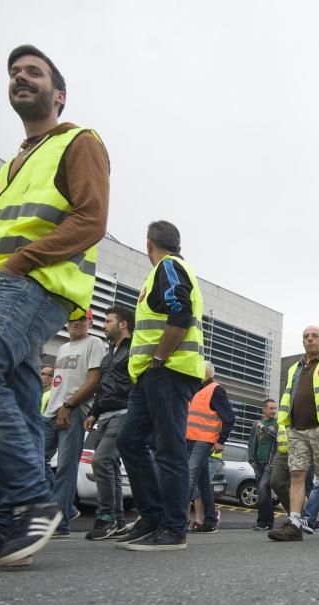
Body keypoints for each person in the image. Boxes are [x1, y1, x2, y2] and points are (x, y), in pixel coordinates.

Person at [0, 44, 110, 566]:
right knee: (17, 402)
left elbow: (90, 219)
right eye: (14, 73)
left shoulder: (78, 141)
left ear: (58, 94)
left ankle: (30, 502)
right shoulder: (13, 163)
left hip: (31, 282)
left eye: (33, 72)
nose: (21, 77)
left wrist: (19, 264)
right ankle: (6, 522)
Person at [115, 221, 205, 552]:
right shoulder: (161, 272)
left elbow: (179, 314)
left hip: (167, 371)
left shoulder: (168, 267)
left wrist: (158, 359)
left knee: (169, 449)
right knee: (130, 441)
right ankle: (152, 517)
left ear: (149, 242)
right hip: (150, 375)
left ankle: (172, 528)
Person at [267, 326, 319, 542]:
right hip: (297, 429)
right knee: (297, 474)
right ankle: (294, 523)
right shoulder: (294, 368)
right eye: (306, 337)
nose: (309, 339)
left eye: (314, 336)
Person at [43, 310, 105, 536]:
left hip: (74, 410)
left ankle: (59, 523)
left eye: (81, 319)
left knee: (66, 469)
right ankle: (65, 507)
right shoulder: (62, 348)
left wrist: (68, 406)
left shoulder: (94, 343)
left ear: (90, 321)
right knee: (34, 460)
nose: (76, 323)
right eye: (72, 319)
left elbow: (94, 381)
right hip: (51, 410)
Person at [82, 306, 133, 540]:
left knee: (101, 460)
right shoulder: (109, 354)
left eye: (108, 321)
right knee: (110, 467)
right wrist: (93, 412)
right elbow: (102, 387)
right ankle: (119, 521)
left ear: (122, 324)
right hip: (103, 416)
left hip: (124, 413)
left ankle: (105, 517)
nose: (104, 325)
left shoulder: (134, 350)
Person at [185, 361, 236, 534]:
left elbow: (229, 417)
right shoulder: (197, 390)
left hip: (203, 441)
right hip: (190, 440)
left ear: (206, 372)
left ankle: (176, 520)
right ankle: (210, 521)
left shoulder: (216, 389)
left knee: (189, 477)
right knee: (203, 482)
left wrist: (221, 440)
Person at [248, 400, 279, 531]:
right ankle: (265, 522)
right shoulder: (256, 424)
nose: (273, 411)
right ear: (264, 409)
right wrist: (252, 461)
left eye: (275, 409)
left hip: (269, 463)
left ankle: (264, 522)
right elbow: (251, 443)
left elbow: (277, 436)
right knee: (263, 493)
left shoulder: (277, 424)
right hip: (258, 463)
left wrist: (264, 428)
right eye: (271, 408)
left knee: (262, 489)